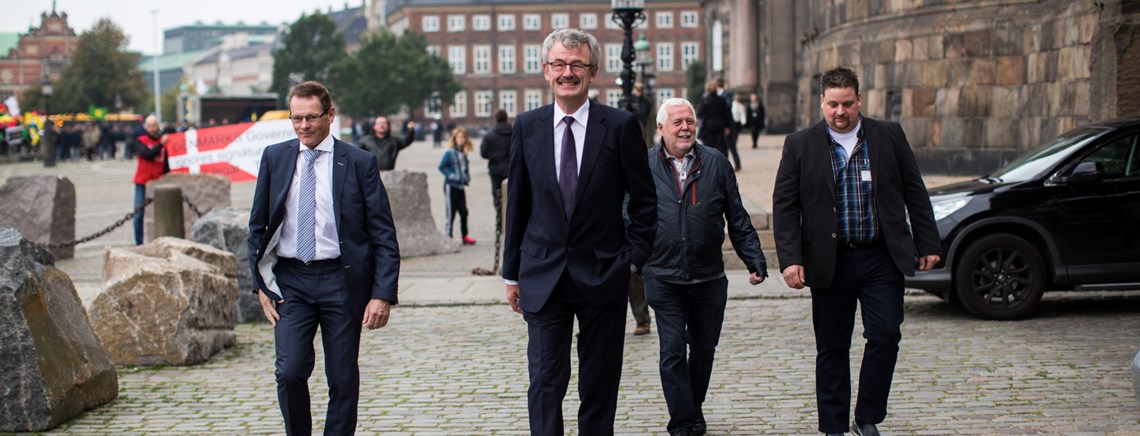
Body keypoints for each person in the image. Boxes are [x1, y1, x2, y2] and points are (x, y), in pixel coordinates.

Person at [502, 28, 657, 435]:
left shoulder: (621, 126)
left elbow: (644, 202)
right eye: (559, 64)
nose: (567, 72)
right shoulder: (527, 126)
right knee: (546, 382)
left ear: (594, 71)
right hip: (542, 274)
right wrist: (511, 274)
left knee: (599, 383)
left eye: (577, 64)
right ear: (545, 71)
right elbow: (517, 204)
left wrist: (632, 258)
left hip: (604, 273)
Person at [772, 66, 941, 436]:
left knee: (885, 335)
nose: (840, 111)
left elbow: (914, 189)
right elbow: (785, 205)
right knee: (832, 346)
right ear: (822, 102)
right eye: (833, 104)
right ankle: (833, 427)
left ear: (859, 99)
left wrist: (927, 242)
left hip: (881, 256)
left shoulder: (888, 136)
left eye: (847, 103)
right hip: (829, 261)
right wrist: (790, 259)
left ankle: (866, 417)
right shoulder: (799, 144)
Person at [247, 81, 400, 436]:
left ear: (330, 115)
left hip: (341, 281)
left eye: (311, 117)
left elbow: (383, 234)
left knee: (343, 378)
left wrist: (382, 293)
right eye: (296, 118)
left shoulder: (360, 162)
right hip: (291, 282)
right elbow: (257, 227)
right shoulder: (275, 157)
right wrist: (260, 286)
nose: (303, 126)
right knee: (289, 372)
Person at [643, 98, 768, 436]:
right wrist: (632, 258)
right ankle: (683, 423)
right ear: (661, 129)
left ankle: (692, 407)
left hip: (709, 277)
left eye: (690, 122)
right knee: (671, 351)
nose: (685, 128)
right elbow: (629, 215)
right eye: (677, 122)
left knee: (702, 351)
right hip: (663, 275)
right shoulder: (643, 166)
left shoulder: (715, 162)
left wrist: (754, 257)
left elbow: (737, 216)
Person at [130, 115, 169, 245]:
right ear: (146, 127)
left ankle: (161, 241)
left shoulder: (166, 142)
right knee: (138, 214)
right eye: (149, 126)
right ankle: (139, 243)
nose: (152, 128)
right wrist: (160, 145)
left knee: (161, 213)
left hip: (158, 181)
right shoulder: (141, 140)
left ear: (158, 126)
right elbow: (147, 155)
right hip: (143, 181)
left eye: (154, 125)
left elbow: (167, 163)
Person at [440, 127, 475, 245]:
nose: (461, 139)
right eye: (459, 137)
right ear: (455, 139)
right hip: (451, 186)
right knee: (451, 212)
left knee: (464, 211)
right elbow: (442, 166)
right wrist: (451, 175)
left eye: (463, 137)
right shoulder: (450, 152)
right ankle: (448, 235)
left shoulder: (463, 153)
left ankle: (465, 235)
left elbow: (465, 168)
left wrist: (466, 178)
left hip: (460, 186)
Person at [480, 109, 512, 209]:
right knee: (512, 194)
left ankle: (499, 216)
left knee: (497, 193)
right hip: (512, 168)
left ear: (496, 119)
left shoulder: (489, 135)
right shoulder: (515, 132)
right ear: (507, 118)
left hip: (496, 168)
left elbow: (483, 153)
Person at [696, 81, 731, 158]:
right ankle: (724, 165)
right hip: (720, 126)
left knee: (708, 149)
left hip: (708, 127)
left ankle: (709, 166)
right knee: (722, 148)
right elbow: (727, 114)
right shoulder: (721, 100)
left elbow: (699, 113)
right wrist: (727, 126)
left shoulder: (705, 100)